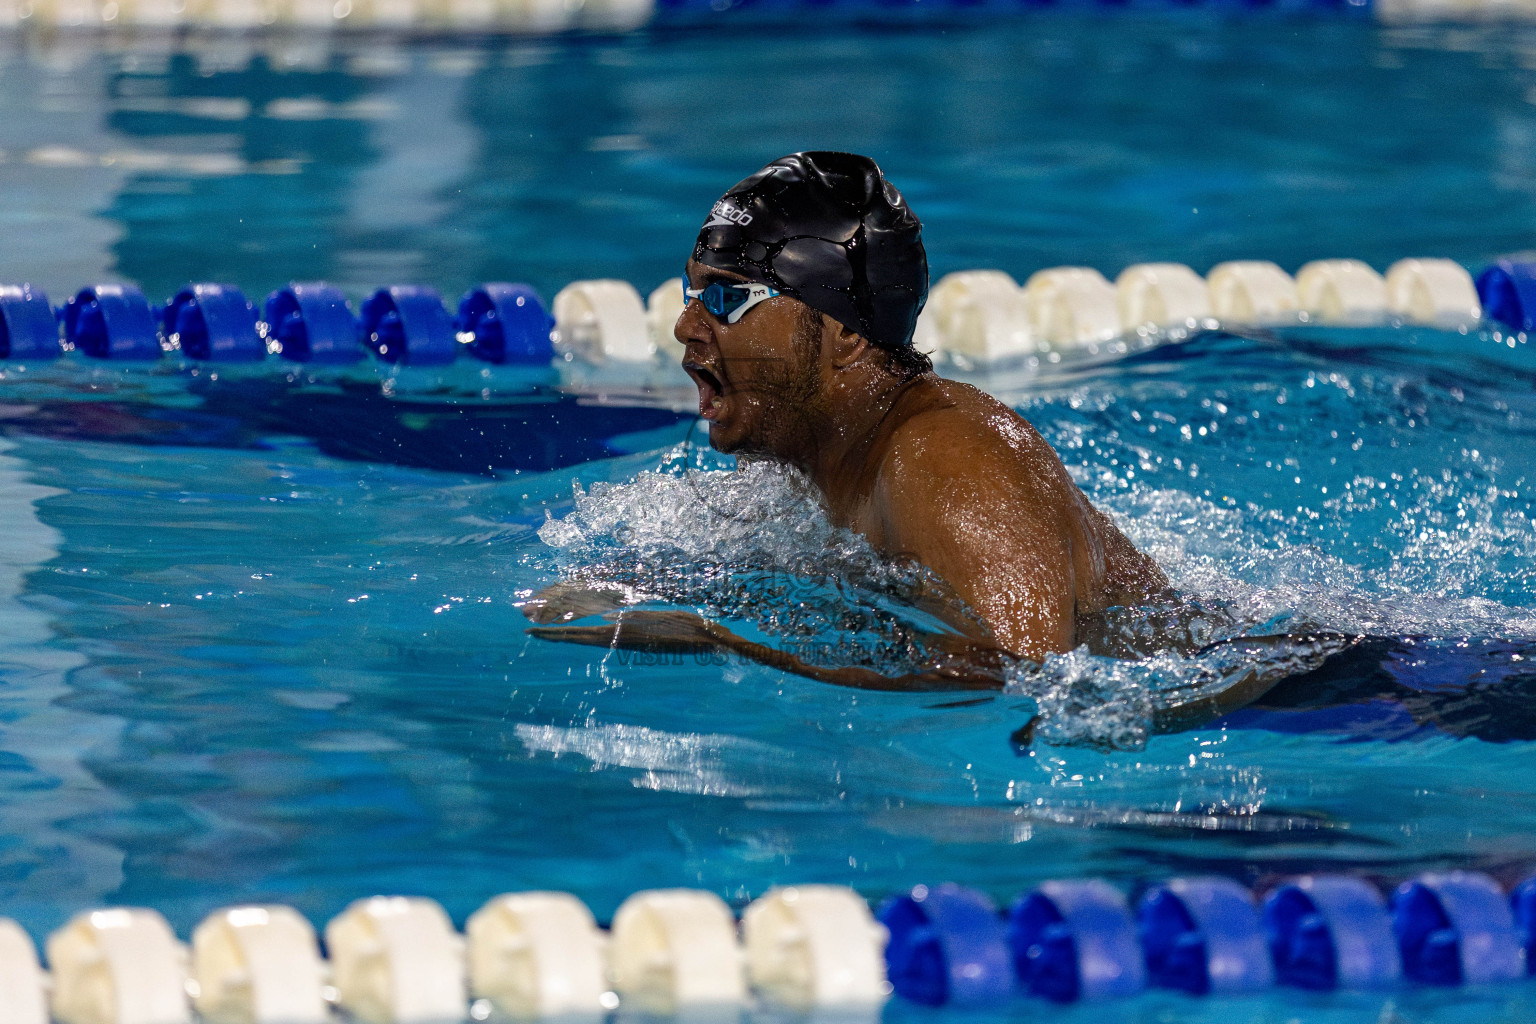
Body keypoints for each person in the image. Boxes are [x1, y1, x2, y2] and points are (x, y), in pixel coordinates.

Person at [524, 152, 1287, 721]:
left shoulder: (947, 462)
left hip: (1298, 713)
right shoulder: (819, 459)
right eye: (693, 292)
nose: (687, 327)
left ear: (848, 337)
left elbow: (1037, 682)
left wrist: (723, 641)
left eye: (727, 299)